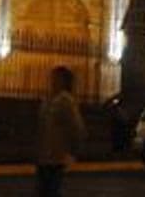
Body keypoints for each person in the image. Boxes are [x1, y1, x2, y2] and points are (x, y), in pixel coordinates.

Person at [35, 66, 86, 197]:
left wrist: (72, 152)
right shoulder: (48, 99)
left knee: (51, 191)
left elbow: (77, 128)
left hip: (56, 157)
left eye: (56, 77)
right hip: (43, 156)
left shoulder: (66, 101)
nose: (52, 80)